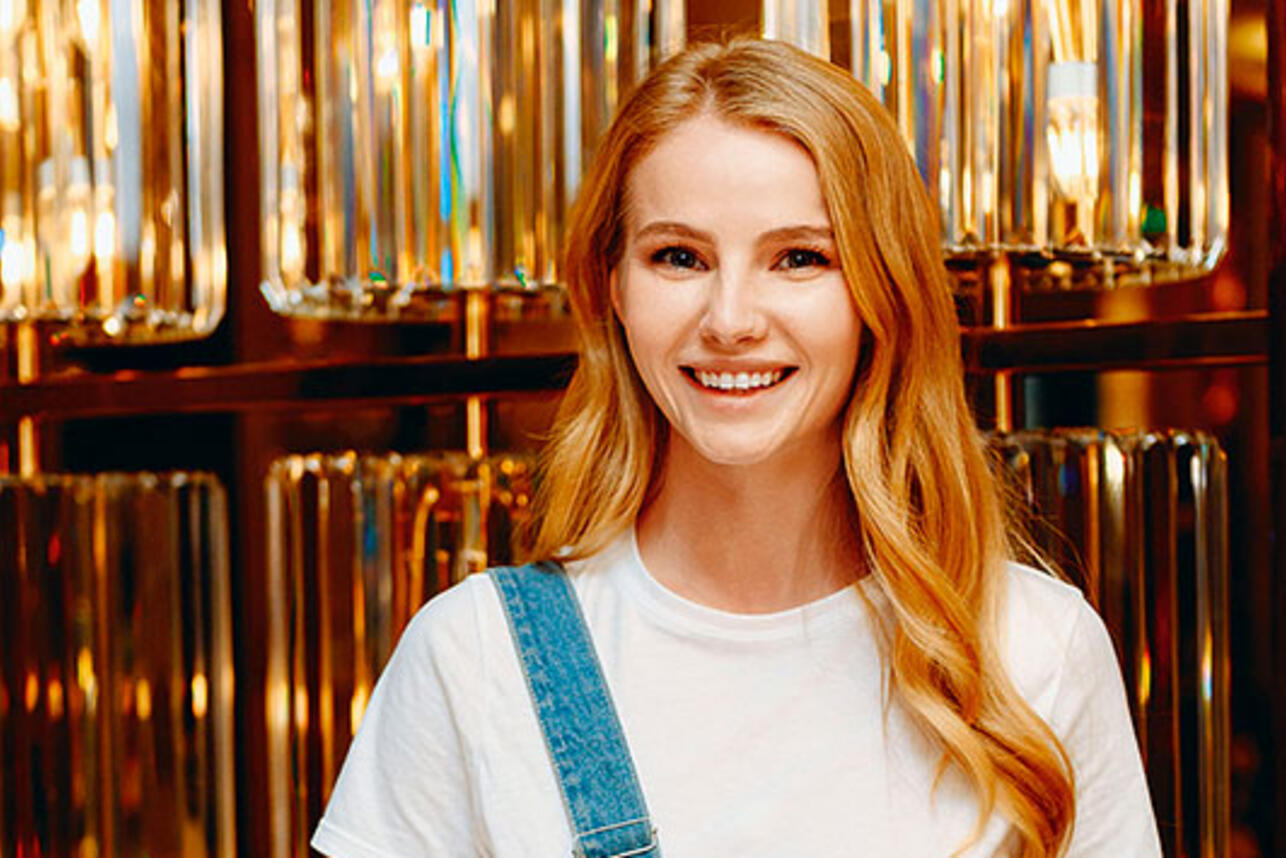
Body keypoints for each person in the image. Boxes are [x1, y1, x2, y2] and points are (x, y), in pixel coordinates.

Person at [311, 39, 1161, 858]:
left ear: (883, 294)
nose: (730, 321)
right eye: (679, 256)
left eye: (799, 258)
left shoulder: (1032, 651)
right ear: (613, 286)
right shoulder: (475, 656)